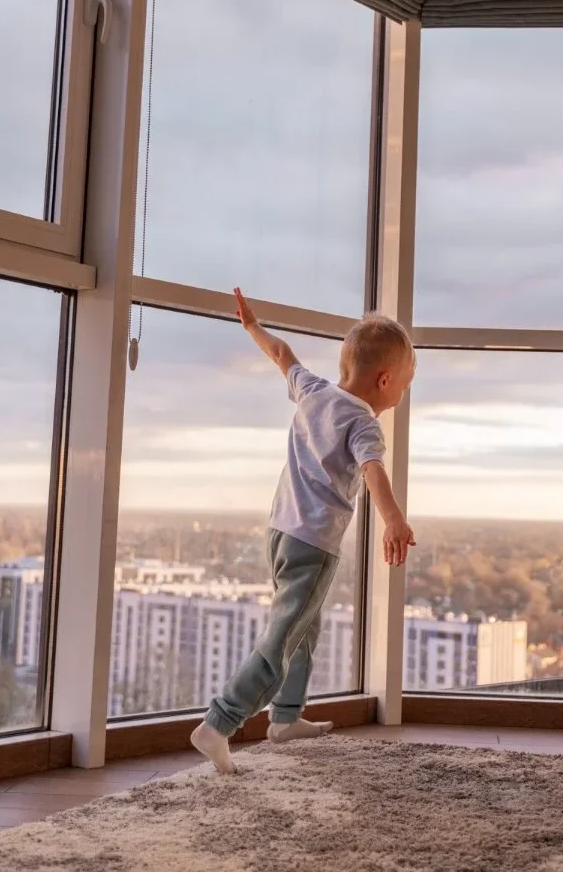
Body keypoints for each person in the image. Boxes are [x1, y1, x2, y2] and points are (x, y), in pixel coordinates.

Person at [190, 287, 416, 774]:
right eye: (404, 384)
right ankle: (218, 722)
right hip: (314, 544)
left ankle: (285, 719)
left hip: (279, 534)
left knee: (304, 629)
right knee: (281, 640)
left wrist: (252, 326)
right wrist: (394, 518)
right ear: (384, 380)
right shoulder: (364, 423)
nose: (402, 394)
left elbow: (281, 354)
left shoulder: (313, 390)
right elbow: (373, 471)